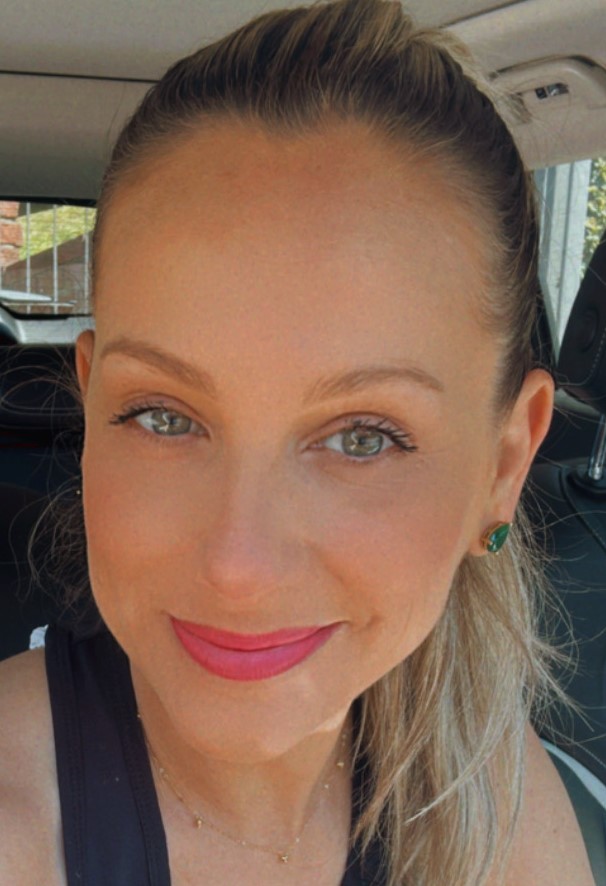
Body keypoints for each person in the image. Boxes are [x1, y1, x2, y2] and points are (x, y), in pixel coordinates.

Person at [0, 1, 596, 883]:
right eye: (163, 416)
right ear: (90, 415)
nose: (237, 567)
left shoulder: (493, 788)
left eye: (362, 438)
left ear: (505, 464)